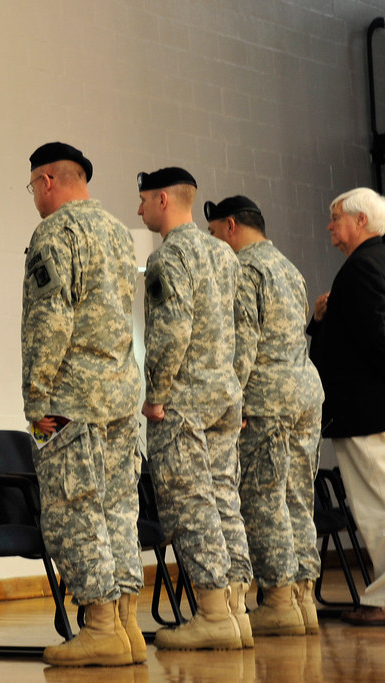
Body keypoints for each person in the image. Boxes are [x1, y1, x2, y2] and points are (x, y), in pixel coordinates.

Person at [21, 142, 143, 666]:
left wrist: (35, 396)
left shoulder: (55, 233)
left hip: (71, 400)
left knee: (74, 511)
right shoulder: (118, 231)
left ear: (48, 180)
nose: (33, 197)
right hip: (121, 396)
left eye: (32, 186)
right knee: (118, 510)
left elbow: (50, 320)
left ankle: (100, 628)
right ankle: (127, 627)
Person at [137, 167, 252, 650]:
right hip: (223, 397)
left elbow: (171, 331)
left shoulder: (169, 256)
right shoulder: (224, 254)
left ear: (164, 199)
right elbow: (245, 330)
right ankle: (237, 612)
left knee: (190, 505)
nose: (139, 209)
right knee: (225, 499)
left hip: (183, 402)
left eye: (144, 200)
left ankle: (212, 615)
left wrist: (156, 394)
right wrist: (235, 386)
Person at [206, 195, 323, 636]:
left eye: (215, 233)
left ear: (231, 227)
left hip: (268, 399)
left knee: (264, 499)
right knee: (297, 497)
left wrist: (229, 402)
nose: (216, 242)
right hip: (304, 392)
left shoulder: (245, 269)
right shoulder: (288, 268)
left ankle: (277, 600)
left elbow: (243, 345)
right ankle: (303, 599)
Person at [307, 187, 385, 626]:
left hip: (365, 411)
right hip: (371, 409)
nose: (330, 227)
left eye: (336, 219)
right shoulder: (375, 261)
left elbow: (376, 338)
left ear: (360, 221)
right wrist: (322, 320)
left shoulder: (360, 268)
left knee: (377, 507)